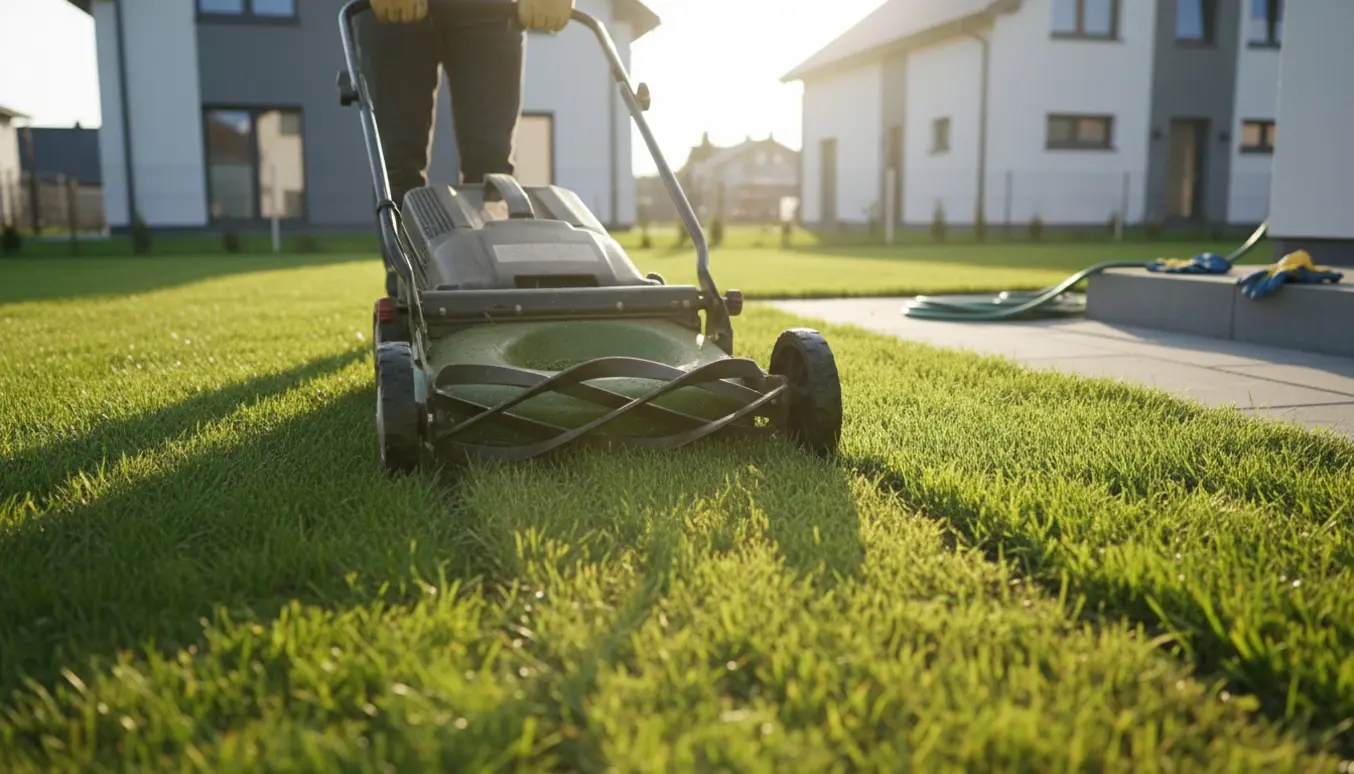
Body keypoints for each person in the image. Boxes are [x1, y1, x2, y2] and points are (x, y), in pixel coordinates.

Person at [362, 0, 574, 295]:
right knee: (398, 167)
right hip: (395, 17)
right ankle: (407, 295)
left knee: (491, 169)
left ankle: (492, 288)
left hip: (493, 10)